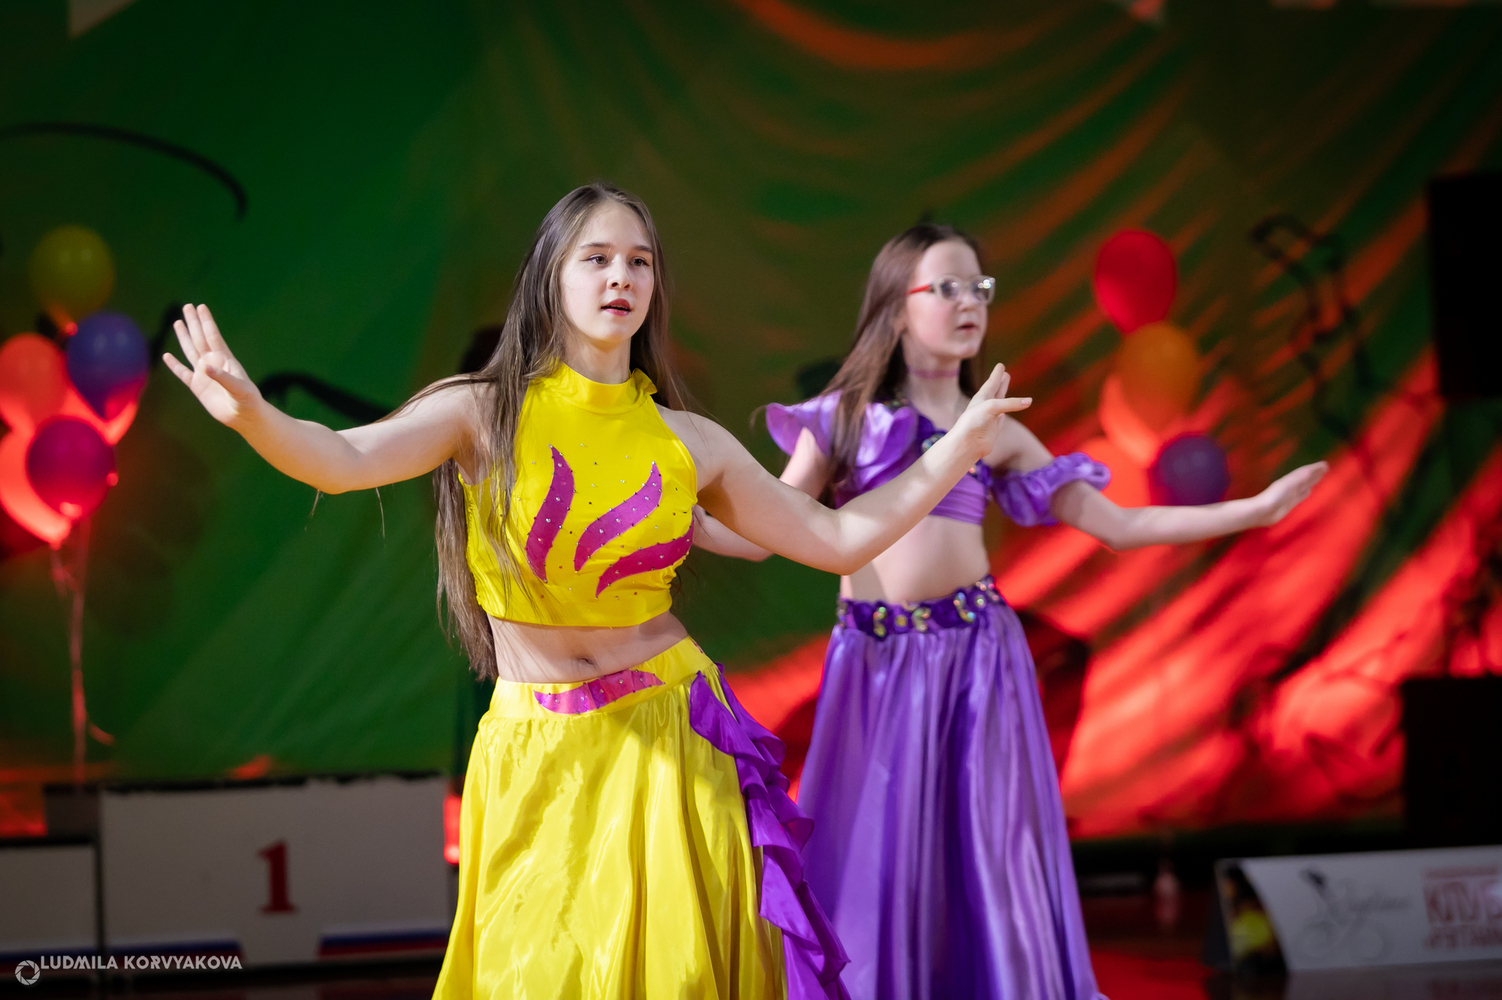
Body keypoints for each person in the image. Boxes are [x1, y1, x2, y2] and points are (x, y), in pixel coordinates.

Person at [162, 186, 1034, 1000]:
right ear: (551, 277)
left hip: (671, 739)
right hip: (535, 749)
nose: (622, 276)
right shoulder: (481, 410)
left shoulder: (689, 441)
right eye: (598, 258)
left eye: (640, 261)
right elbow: (343, 460)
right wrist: (254, 416)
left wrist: (954, 450)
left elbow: (836, 538)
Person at [695, 222, 1327, 1000]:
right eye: (947, 287)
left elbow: (1118, 526)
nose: (969, 303)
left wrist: (1253, 510)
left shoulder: (996, 431)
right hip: (873, 667)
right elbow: (769, 530)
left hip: (976, 663)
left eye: (979, 288)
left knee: (987, 860)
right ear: (895, 308)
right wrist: (683, 524)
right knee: (875, 864)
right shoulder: (845, 418)